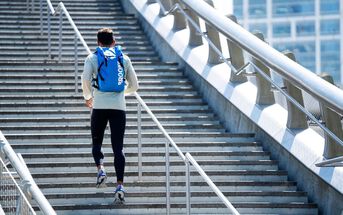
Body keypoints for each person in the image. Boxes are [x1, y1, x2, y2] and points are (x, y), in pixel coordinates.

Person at [81, 28, 139, 203]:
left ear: (98, 43)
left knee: (97, 142)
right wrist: (121, 91)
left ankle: (101, 170)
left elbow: (84, 79)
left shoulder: (92, 57)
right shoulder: (124, 58)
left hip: (99, 106)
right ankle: (120, 186)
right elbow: (135, 85)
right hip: (119, 108)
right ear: (114, 42)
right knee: (118, 149)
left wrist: (88, 97)